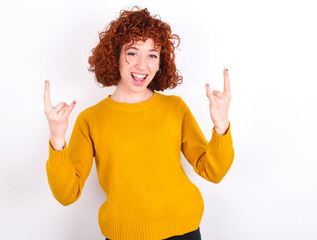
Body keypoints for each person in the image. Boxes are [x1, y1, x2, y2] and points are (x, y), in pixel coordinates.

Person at [43, 6, 234, 240]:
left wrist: (221, 125)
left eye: (152, 55)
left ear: (160, 62)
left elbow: (213, 171)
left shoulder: (175, 107)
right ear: (115, 55)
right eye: (132, 53)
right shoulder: (91, 119)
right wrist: (57, 137)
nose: (142, 65)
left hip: (184, 231)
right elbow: (66, 194)